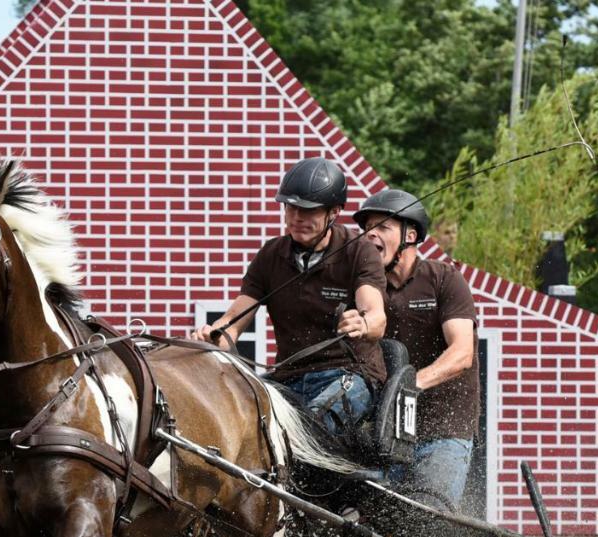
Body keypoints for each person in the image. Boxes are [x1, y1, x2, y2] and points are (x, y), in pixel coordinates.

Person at [193, 158, 388, 437]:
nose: (297, 217)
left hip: (350, 375)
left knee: (307, 429)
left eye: (308, 211)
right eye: (291, 208)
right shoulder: (270, 255)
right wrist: (213, 336)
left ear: (334, 212)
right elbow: (232, 324)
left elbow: (377, 317)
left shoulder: (359, 252)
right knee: (242, 422)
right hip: (288, 378)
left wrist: (364, 324)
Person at [353, 188, 480, 509]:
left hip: (443, 432)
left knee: (426, 519)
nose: (371, 236)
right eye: (366, 229)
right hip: (383, 437)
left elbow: (463, 353)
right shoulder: (365, 289)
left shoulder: (442, 279)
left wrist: (409, 387)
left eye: (382, 228)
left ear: (410, 235)